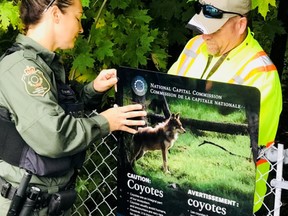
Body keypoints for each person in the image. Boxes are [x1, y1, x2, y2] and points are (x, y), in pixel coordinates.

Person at [0, 0, 147, 215]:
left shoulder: (43, 64)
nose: (80, 28)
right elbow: (54, 135)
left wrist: (93, 90)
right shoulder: (22, 68)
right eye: (78, 18)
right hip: (24, 206)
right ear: (56, 14)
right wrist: (107, 122)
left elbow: (57, 109)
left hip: (49, 202)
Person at [168, 0, 282, 213]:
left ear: (240, 25)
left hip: (231, 198)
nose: (205, 36)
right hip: (180, 186)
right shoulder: (195, 46)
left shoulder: (261, 74)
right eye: (202, 27)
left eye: (214, 29)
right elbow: (165, 93)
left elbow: (238, 144)